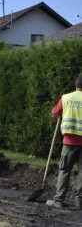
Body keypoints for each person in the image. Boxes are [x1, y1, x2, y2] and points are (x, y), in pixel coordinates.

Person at [47, 75, 82, 209]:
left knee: (65, 170)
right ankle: (79, 201)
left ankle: (59, 200)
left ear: (76, 85)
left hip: (69, 141)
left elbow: (55, 113)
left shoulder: (66, 98)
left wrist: (58, 113)